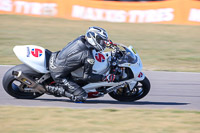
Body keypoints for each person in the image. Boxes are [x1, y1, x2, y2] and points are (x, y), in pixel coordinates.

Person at [46, 26, 116, 102]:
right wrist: (104, 78)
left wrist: (108, 43)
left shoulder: (82, 38)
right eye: (101, 41)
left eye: (103, 41)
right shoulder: (88, 57)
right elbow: (87, 77)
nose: (103, 43)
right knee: (82, 96)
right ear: (93, 39)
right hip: (58, 73)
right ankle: (49, 88)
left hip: (56, 57)